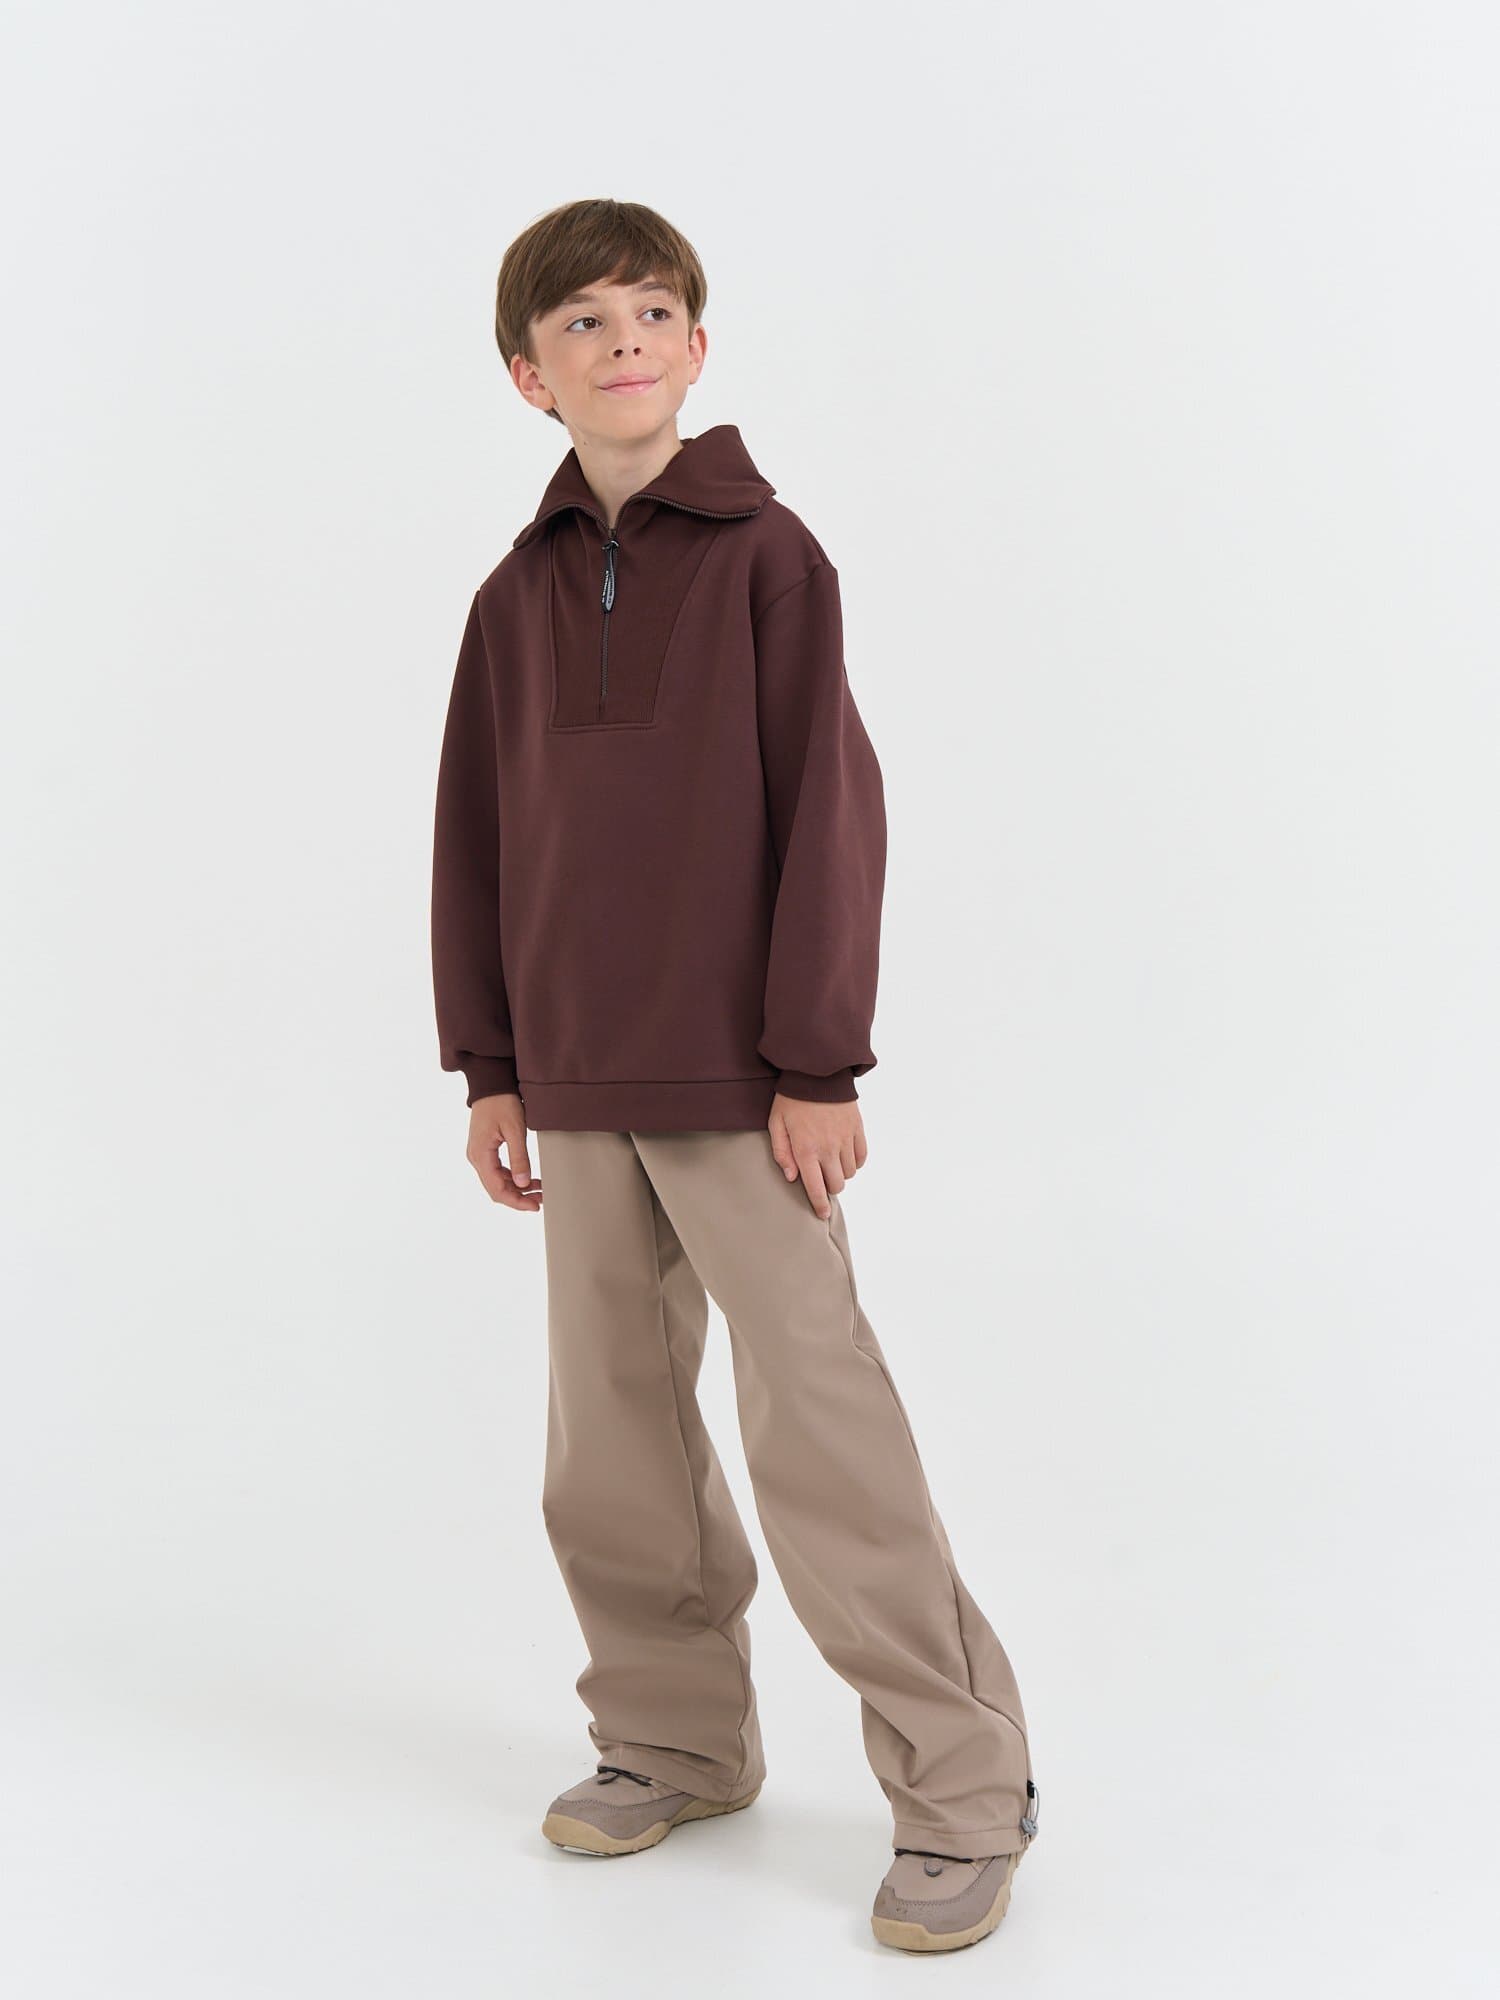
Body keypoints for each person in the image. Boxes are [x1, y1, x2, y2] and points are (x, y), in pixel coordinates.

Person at [430, 197, 1040, 1953]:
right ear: (528, 375)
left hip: (746, 1082)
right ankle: (676, 1740)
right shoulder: (512, 597)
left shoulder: (773, 560)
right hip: (574, 1082)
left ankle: (964, 1789)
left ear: (696, 347)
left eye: (650, 312)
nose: (621, 341)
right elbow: (476, 836)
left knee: (824, 1440)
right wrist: (491, 1064)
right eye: (582, 323)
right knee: (611, 1446)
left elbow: (831, 813)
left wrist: (817, 1060)